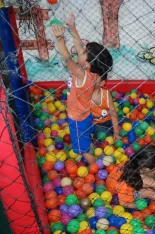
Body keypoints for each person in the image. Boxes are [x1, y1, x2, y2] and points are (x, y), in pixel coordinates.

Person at [52, 14, 113, 164]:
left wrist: (59, 38)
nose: (81, 50)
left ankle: (95, 167)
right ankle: (90, 145)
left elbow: (67, 57)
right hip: (86, 114)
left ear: (88, 63)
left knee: (82, 149)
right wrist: (72, 27)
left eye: (84, 52)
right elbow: (78, 46)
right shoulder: (91, 73)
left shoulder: (81, 75)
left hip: (77, 119)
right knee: (86, 138)